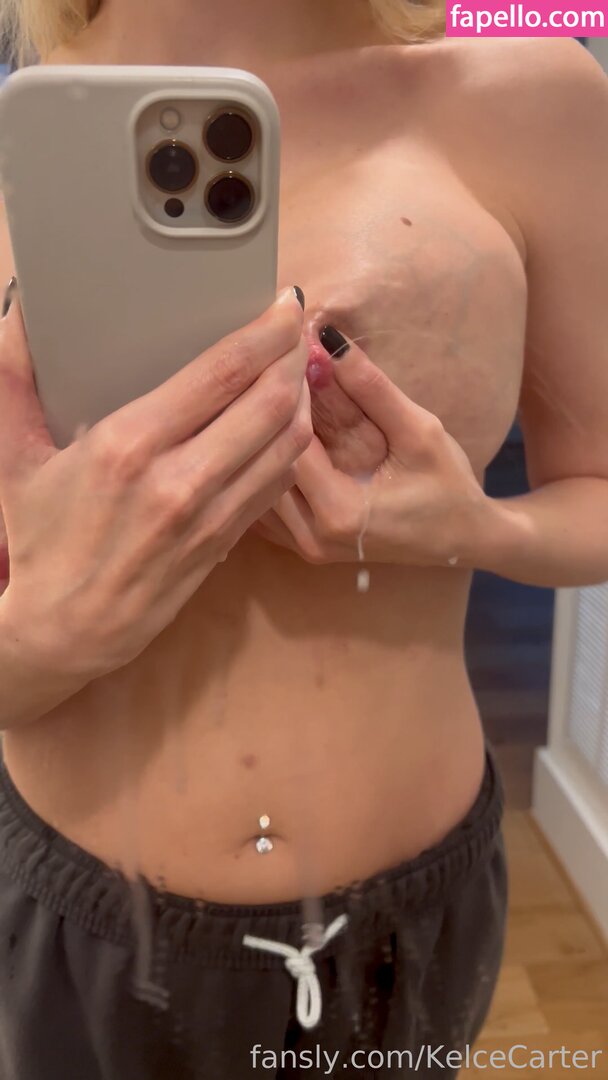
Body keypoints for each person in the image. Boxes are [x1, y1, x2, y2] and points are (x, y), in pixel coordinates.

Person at [0, 1, 607, 1077]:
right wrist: (37, 643)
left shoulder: (534, 94)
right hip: (72, 922)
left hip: (406, 925)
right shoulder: (25, 130)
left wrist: (475, 526)